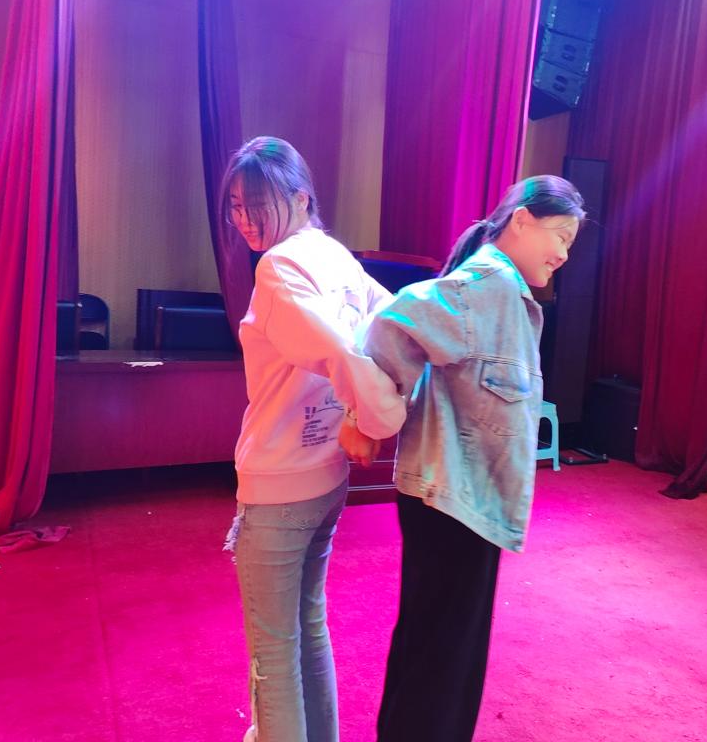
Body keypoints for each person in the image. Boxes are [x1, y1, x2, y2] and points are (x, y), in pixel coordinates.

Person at [339, 175, 585, 740]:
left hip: (465, 499)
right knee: (442, 658)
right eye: (561, 236)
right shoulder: (487, 285)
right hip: (455, 502)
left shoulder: (507, 293)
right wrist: (365, 418)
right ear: (521, 220)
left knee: (440, 649)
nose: (564, 255)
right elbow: (394, 321)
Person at [220, 136, 406, 742]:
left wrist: (376, 420)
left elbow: (341, 353)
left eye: (259, 204)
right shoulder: (336, 257)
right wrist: (368, 414)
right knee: (309, 627)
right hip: (326, 478)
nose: (246, 220)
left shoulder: (279, 267)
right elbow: (394, 324)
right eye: (237, 205)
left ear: (301, 198)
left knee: (274, 655)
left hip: (279, 481)